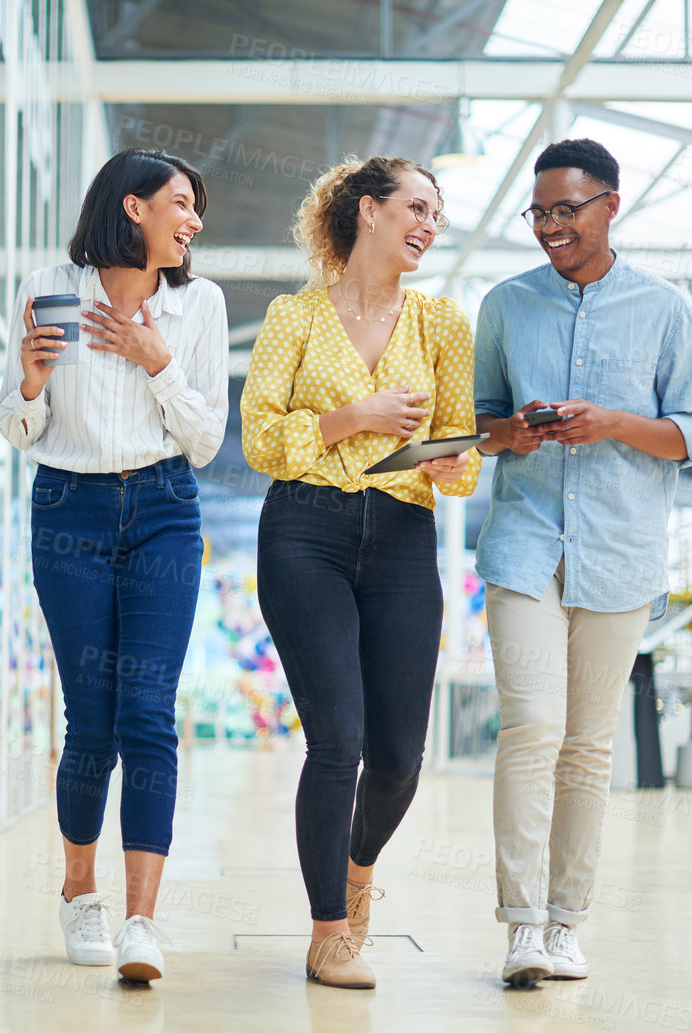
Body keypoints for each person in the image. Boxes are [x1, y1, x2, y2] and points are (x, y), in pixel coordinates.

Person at [473, 138, 692, 986]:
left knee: (587, 744)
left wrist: (611, 421)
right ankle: (519, 924)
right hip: (524, 542)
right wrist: (520, 430)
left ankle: (566, 920)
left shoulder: (664, 307)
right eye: (537, 213)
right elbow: (480, 428)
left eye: (563, 211)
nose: (548, 227)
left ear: (610, 205)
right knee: (531, 726)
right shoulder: (505, 305)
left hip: (620, 549)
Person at [242, 156, 480, 989]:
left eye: (436, 216)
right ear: (367, 210)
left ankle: (358, 866)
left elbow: (455, 445)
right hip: (305, 533)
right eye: (416, 206)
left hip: (405, 537)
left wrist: (455, 466)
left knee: (400, 757)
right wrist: (354, 417)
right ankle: (328, 930)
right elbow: (261, 441)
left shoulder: (443, 325)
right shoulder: (292, 317)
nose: (427, 224)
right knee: (336, 739)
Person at [0, 148, 229, 983]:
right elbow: (19, 430)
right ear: (132, 207)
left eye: (194, 207)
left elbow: (204, 441)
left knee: (147, 714)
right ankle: (78, 892)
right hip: (70, 509)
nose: (193, 220)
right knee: (90, 719)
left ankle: (141, 921)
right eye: (180, 202)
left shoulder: (197, 304)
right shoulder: (48, 282)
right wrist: (26, 384)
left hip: (164, 509)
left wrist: (153, 360)